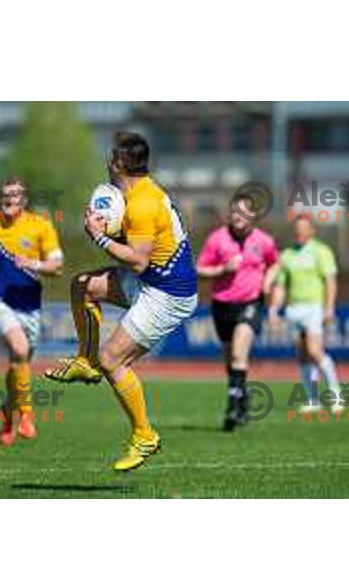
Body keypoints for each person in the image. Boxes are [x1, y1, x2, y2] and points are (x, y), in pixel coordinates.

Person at [45, 132, 197, 472]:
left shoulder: (143, 203)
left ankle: (145, 435)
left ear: (117, 164)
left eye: (110, 156)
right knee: (82, 286)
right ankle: (85, 362)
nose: (107, 161)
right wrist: (108, 229)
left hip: (167, 294)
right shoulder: (134, 194)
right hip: (152, 280)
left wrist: (98, 235)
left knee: (112, 359)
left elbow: (139, 260)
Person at [0, 178, 63, 445]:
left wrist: (32, 262)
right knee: (20, 350)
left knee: (19, 364)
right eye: (4, 195)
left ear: (24, 200)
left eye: (15, 195)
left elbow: (57, 266)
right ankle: (26, 414)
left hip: (30, 305)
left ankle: (8, 414)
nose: (9, 200)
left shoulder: (41, 225)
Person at [197, 195, 278, 431]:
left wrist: (268, 282)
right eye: (233, 212)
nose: (237, 217)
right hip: (222, 305)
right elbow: (199, 270)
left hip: (251, 303)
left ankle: (232, 409)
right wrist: (223, 269)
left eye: (242, 212)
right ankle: (243, 401)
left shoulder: (264, 241)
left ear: (252, 215)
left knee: (239, 354)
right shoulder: (217, 239)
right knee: (230, 360)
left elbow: (275, 263)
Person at [269, 215, 343, 414]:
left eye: (303, 228)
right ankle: (312, 400)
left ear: (312, 231)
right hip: (294, 310)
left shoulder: (321, 251)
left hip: (314, 307)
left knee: (314, 351)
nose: (299, 232)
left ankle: (335, 396)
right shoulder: (287, 255)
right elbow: (281, 287)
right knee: (302, 355)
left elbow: (330, 281)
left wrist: (329, 308)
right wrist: (274, 310)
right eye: (297, 228)